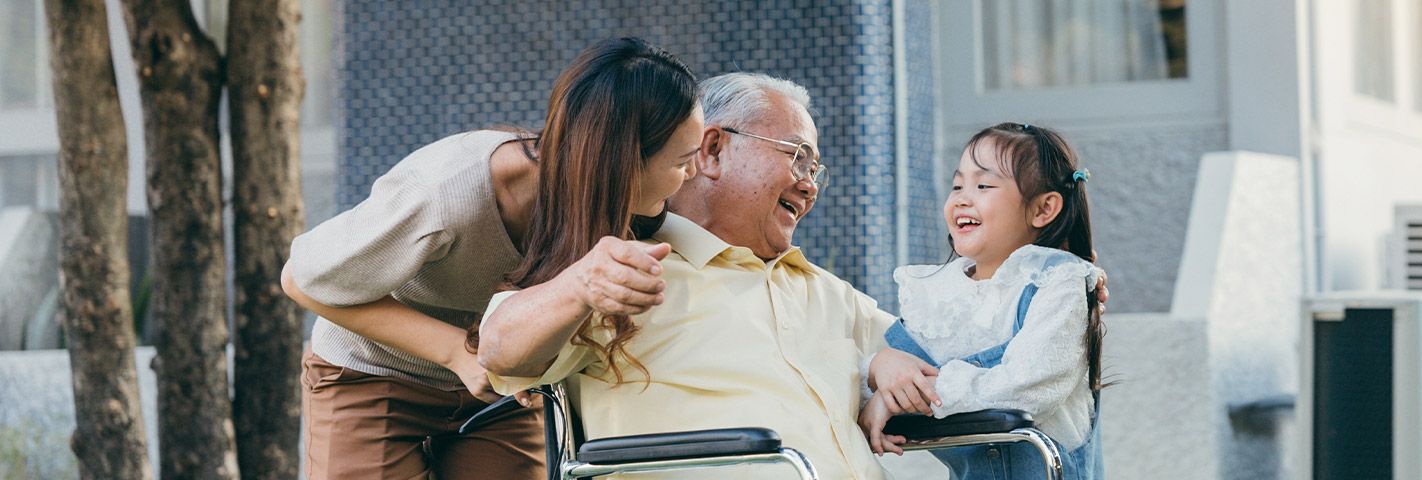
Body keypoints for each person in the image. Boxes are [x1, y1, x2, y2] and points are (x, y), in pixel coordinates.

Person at [278, 37, 702, 479]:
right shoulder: (446, 191)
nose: (692, 175)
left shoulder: (617, 209)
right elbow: (300, 280)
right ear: (621, 162)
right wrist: (457, 354)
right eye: (682, 161)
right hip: (372, 375)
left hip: (500, 395)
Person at [477, 72, 897, 479]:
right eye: (797, 157)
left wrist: (890, 362)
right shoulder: (623, 272)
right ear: (712, 149)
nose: (810, 186)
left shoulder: (824, 291)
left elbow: (942, 364)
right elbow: (498, 348)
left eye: (815, 170)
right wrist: (579, 284)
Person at [860, 122, 1105, 479]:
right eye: (957, 184)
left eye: (983, 185)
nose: (962, 197)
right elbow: (890, 378)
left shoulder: (1056, 283)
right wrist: (879, 372)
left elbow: (1026, 384)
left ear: (1042, 209)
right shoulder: (940, 298)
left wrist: (916, 391)